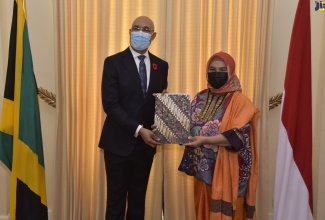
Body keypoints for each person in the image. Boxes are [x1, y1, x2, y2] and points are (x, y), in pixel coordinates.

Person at [98, 16, 168, 220]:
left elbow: (159, 102)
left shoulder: (161, 66)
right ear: (129, 32)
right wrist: (139, 129)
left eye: (146, 29)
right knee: (115, 203)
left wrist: (165, 114)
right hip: (117, 144)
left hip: (145, 148)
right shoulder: (113, 62)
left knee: (138, 202)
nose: (140, 32)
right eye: (136, 28)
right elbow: (110, 105)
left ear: (153, 36)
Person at [178, 52, 259, 220]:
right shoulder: (200, 97)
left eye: (222, 69)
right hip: (203, 172)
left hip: (229, 173)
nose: (217, 73)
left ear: (231, 72)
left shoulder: (241, 102)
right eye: (212, 69)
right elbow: (186, 127)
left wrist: (206, 140)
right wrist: (166, 126)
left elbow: (237, 137)